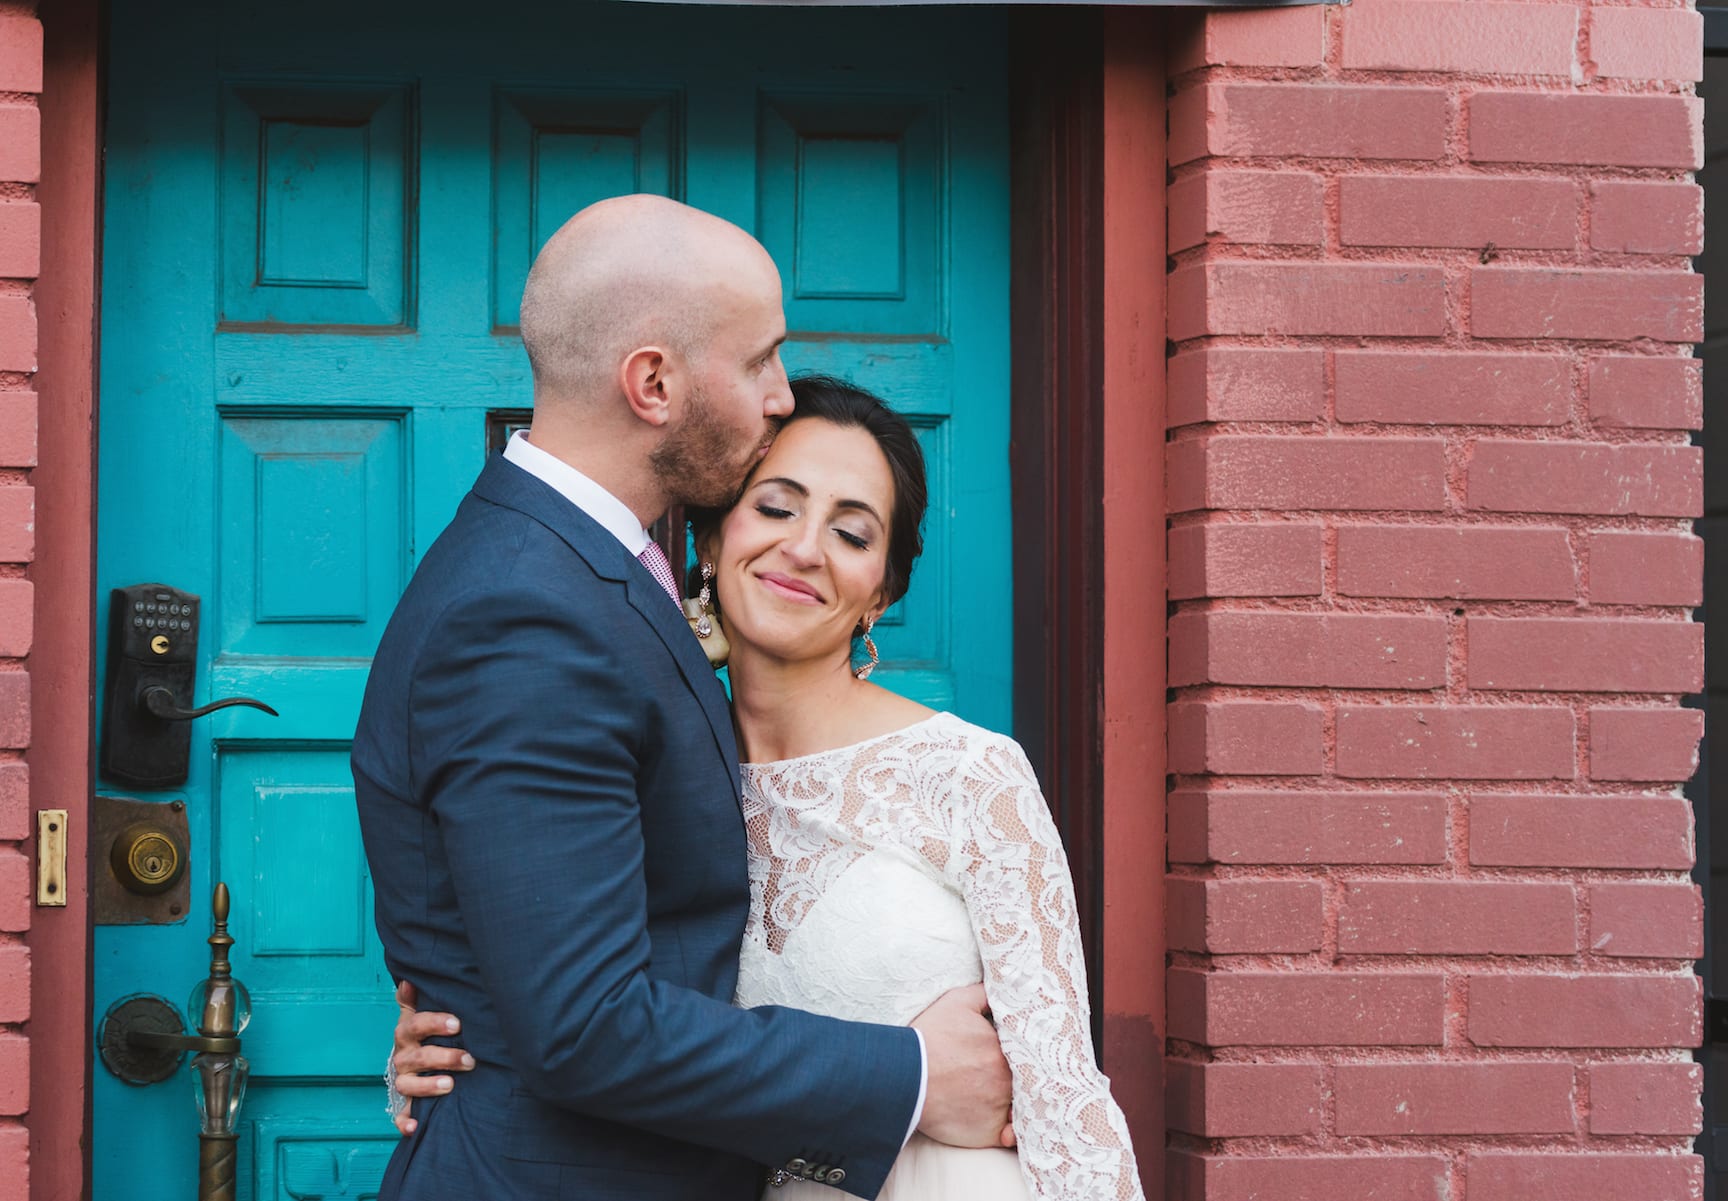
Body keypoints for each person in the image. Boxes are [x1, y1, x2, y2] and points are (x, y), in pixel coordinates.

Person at [351, 196, 1014, 1201]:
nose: (782, 396)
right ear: (653, 382)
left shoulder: (579, 574)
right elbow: (582, 1024)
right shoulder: (529, 615)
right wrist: (911, 1076)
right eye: (760, 362)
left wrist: (479, 1004)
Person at [390, 377, 1145, 1201]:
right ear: (710, 540)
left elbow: (1065, 1099)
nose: (806, 548)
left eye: (852, 533)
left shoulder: (969, 774)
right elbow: (576, 999)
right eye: (776, 507)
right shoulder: (634, 770)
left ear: (879, 595)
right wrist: (446, 1046)